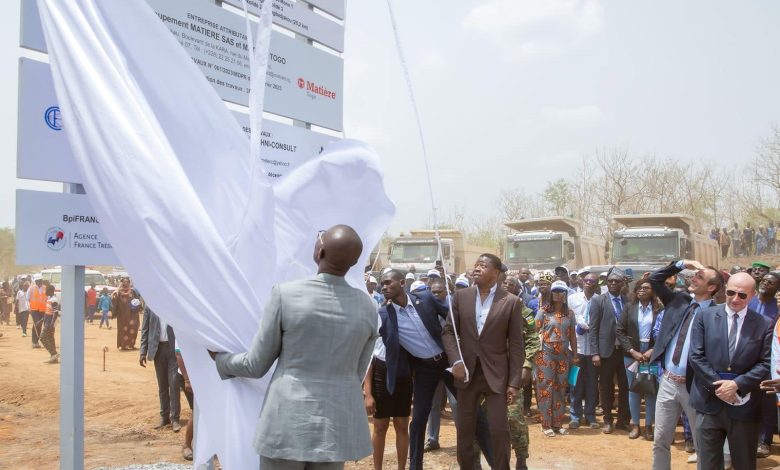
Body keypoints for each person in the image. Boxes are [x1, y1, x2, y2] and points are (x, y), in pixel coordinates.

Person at [213, 225, 377, 470]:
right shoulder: (367, 307)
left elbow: (255, 365)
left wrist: (220, 360)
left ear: (320, 252)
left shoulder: (285, 295)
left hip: (286, 424)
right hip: (334, 428)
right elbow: (357, 372)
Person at [378, 269, 490, 470]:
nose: (384, 287)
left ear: (402, 282)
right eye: (382, 284)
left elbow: (453, 320)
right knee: (419, 419)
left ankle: (497, 461)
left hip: (449, 363)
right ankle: (415, 467)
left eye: (388, 282)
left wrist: (463, 352)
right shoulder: (385, 314)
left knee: (473, 410)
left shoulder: (427, 299)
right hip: (423, 370)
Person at [443, 253, 525, 470]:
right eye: (476, 265)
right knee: (465, 431)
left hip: (496, 376)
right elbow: (449, 332)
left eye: (483, 265)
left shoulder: (511, 302)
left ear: (496, 273)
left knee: (499, 430)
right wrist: (456, 362)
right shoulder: (461, 297)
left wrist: (514, 382)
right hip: (467, 374)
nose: (477, 268)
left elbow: (517, 345)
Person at [688, 272, 772, 470]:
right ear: (725, 290)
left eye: (742, 295)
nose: (735, 299)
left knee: (744, 464)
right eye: (731, 292)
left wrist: (737, 385)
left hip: (744, 408)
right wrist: (720, 387)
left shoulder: (764, 324)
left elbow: (766, 363)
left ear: (752, 295)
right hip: (709, 404)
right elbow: (696, 356)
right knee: (708, 465)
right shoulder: (704, 316)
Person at [647, 259, 722, 468]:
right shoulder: (678, 300)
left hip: (695, 386)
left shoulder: (717, 315)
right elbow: (655, 279)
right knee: (660, 438)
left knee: (701, 442)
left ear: (712, 287)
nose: (694, 278)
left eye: (700, 277)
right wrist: (681, 264)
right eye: (695, 275)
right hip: (668, 381)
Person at [616, 279, 662, 440]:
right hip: (631, 356)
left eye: (646, 288)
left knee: (650, 390)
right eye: (639, 288)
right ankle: (635, 424)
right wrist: (631, 351)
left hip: (652, 356)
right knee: (633, 389)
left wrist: (652, 351)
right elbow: (620, 331)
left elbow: (664, 334)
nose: (642, 290)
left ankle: (648, 425)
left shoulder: (659, 309)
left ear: (653, 291)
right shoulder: (629, 307)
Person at [503, 275, 540, 470]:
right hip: (491, 371)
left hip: (514, 373)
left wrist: (527, 366)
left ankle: (521, 459)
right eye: (504, 284)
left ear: (518, 290)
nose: (507, 287)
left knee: (514, 418)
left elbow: (534, 341)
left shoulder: (525, 313)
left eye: (511, 285)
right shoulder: (492, 308)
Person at [588, 267, 631, 434]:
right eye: (611, 281)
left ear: (622, 284)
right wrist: (595, 353)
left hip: (625, 351)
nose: (613, 283)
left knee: (626, 386)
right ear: (606, 283)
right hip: (606, 351)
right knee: (606, 387)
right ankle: (607, 420)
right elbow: (593, 329)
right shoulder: (598, 301)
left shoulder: (628, 301)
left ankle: (623, 420)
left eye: (617, 281)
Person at [535, 280, 578, 437]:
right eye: (555, 291)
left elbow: (572, 336)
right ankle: (546, 424)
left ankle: (557, 423)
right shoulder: (544, 312)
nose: (558, 294)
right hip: (545, 354)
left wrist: (575, 355)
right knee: (546, 389)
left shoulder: (570, 314)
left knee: (560, 388)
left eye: (561, 292)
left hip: (564, 355)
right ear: (551, 294)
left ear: (566, 294)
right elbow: (534, 332)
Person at [748, 271, 780, 458]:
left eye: (772, 283)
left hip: (767, 361)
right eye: (765, 280)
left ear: (777, 289)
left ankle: (765, 441)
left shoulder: (776, 310)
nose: (766, 283)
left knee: (767, 403)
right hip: (746, 359)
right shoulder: (748, 300)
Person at [139, 307, 181, 432]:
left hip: (173, 350)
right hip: (157, 349)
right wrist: (143, 351)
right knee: (162, 385)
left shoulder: (173, 305)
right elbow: (145, 330)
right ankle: (164, 417)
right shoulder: (150, 306)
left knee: (174, 383)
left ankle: (175, 419)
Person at [568, 271, 601, 429]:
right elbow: (566, 318)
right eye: (586, 280)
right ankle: (575, 416)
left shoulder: (599, 300)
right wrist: (577, 326)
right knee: (575, 382)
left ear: (596, 284)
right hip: (576, 349)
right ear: (582, 282)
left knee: (592, 384)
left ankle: (590, 416)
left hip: (593, 351)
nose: (589, 282)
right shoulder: (573, 298)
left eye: (592, 281)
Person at [174, 340, 194, 461]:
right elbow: (179, 354)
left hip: (204, 374)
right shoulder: (182, 327)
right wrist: (187, 380)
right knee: (197, 410)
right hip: (188, 377)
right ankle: (187, 445)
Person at [112, 277, 143, 350]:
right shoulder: (118, 292)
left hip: (132, 315)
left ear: (129, 283)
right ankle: (123, 345)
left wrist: (138, 305)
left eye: (127, 282)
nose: (126, 283)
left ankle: (131, 345)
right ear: (122, 283)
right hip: (123, 316)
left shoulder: (133, 291)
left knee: (134, 328)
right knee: (123, 330)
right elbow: (114, 300)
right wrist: (114, 297)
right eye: (124, 282)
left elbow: (137, 300)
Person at [40, 284, 60, 364]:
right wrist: (42, 320)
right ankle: (54, 357)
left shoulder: (54, 300)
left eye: (47, 290)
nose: (45, 291)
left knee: (42, 338)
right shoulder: (49, 298)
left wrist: (51, 323)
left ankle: (54, 354)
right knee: (51, 339)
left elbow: (55, 313)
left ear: (51, 291)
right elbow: (47, 311)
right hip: (47, 321)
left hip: (50, 322)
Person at [28, 278, 47, 348]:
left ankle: (37, 342)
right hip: (34, 309)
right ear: (36, 282)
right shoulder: (31, 288)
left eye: (40, 281)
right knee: (36, 324)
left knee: (40, 325)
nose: (39, 283)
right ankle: (34, 342)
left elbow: (47, 298)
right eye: (38, 282)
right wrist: (28, 307)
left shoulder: (45, 288)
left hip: (42, 310)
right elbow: (27, 298)